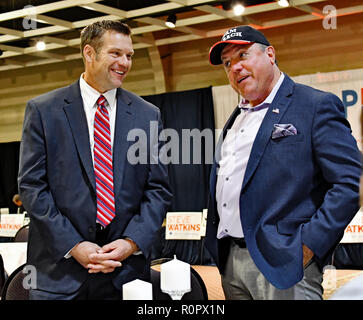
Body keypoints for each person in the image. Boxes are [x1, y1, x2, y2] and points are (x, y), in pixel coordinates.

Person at [18, 20, 172, 300]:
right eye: (116, 53)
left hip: (126, 274)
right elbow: (31, 187)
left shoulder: (147, 114)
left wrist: (131, 242)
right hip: (58, 274)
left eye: (129, 55)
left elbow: (158, 189)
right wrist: (74, 245)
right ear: (89, 53)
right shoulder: (44, 111)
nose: (124, 63)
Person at [205, 25, 361, 300]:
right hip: (231, 261)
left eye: (243, 55)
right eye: (227, 63)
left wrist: (308, 246)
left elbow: (351, 182)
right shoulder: (237, 117)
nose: (234, 68)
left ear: (270, 54)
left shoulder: (315, 105)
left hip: (285, 262)